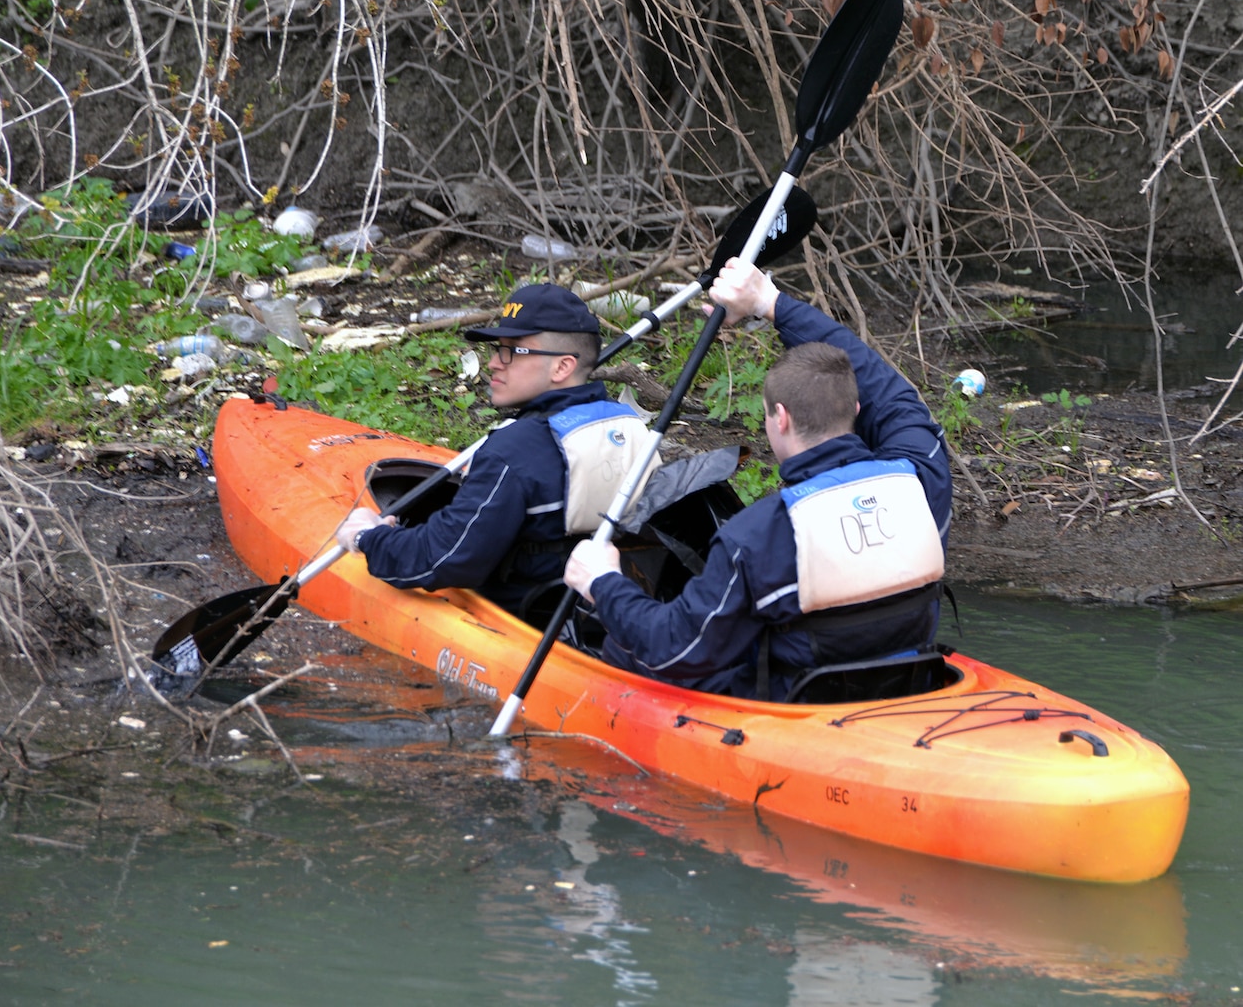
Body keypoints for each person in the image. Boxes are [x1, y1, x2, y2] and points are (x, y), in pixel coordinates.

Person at [563, 258, 953, 701]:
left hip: (800, 707)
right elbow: (891, 391)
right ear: (856, 410)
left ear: (779, 419)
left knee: (622, 645)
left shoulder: (758, 536)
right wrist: (770, 303)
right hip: (909, 681)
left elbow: (676, 649)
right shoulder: (924, 477)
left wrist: (604, 582)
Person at [335, 282, 656, 618]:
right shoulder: (631, 426)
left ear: (562, 367)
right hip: (601, 612)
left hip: (527, 623)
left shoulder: (512, 452)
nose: (493, 364)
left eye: (513, 351)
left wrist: (368, 538)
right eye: (497, 349)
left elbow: (445, 559)